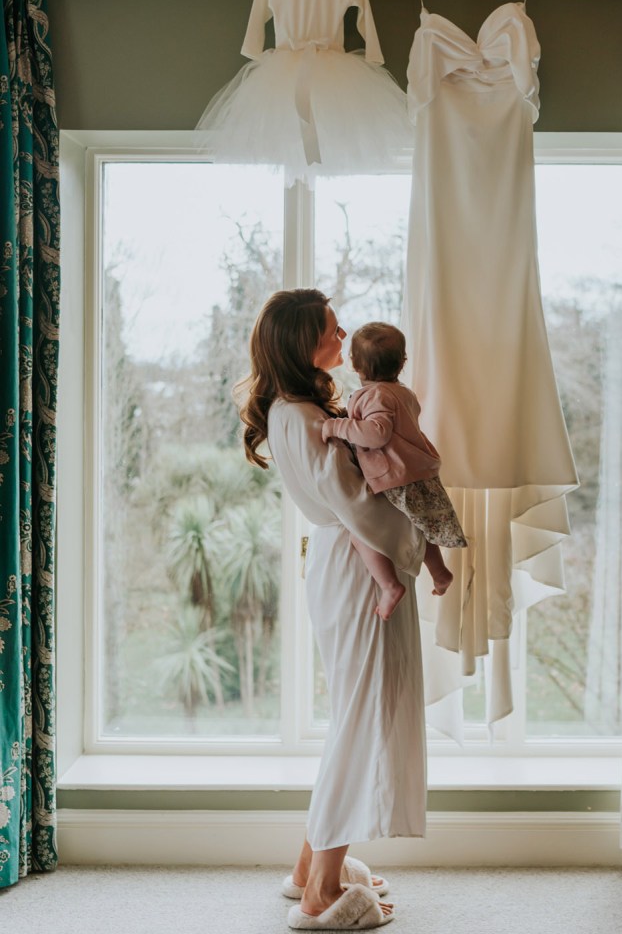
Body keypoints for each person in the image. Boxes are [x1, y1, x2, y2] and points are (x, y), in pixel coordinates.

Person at [236, 289, 427, 930]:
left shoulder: (299, 407)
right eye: (330, 326)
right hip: (356, 564)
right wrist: (418, 542)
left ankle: (306, 868)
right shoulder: (299, 413)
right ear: (301, 340)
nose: (342, 332)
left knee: (356, 712)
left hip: (347, 561)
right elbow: (351, 501)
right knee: (363, 716)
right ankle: (319, 891)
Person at [321, 322, 467, 622]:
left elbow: (376, 434)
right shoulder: (402, 393)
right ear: (403, 362)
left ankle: (389, 586)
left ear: (354, 364)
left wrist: (338, 426)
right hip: (416, 473)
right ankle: (439, 573)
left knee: (360, 530)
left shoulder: (375, 396)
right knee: (418, 525)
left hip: (397, 477)